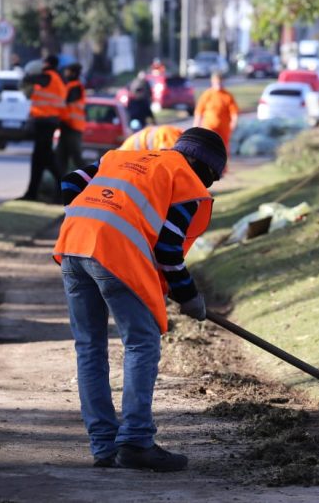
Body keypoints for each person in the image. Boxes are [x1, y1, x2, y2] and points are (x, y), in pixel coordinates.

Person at [53, 127, 227, 472]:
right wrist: (189, 296)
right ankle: (135, 440)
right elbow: (167, 251)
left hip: (73, 247)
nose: (208, 187)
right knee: (141, 343)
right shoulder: (186, 182)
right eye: (212, 178)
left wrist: (92, 220)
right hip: (114, 256)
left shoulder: (120, 157)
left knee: (89, 346)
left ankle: (103, 447)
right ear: (205, 167)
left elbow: (71, 181)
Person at [20, 54, 65, 202]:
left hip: (45, 122)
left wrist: (27, 73)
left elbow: (30, 80)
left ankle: (62, 189)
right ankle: (32, 192)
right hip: (47, 122)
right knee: (39, 159)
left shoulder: (48, 77)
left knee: (46, 159)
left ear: (47, 64)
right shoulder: (56, 78)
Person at [193, 71, 239, 169]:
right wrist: (195, 126)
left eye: (220, 82)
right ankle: (208, 167)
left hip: (224, 129)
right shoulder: (207, 94)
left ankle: (222, 168)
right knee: (209, 146)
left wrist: (234, 122)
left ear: (223, 82)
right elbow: (199, 112)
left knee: (223, 148)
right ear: (212, 82)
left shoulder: (227, 95)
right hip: (209, 126)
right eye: (216, 82)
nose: (218, 84)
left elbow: (234, 112)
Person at [57, 63, 86, 172]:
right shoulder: (71, 86)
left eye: (67, 71)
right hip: (67, 126)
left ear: (73, 73)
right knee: (61, 158)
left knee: (76, 158)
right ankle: (59, 186)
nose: (65, 74)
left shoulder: (75, 87)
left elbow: (65, 102)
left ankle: (93, 179)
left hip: (73, 127)